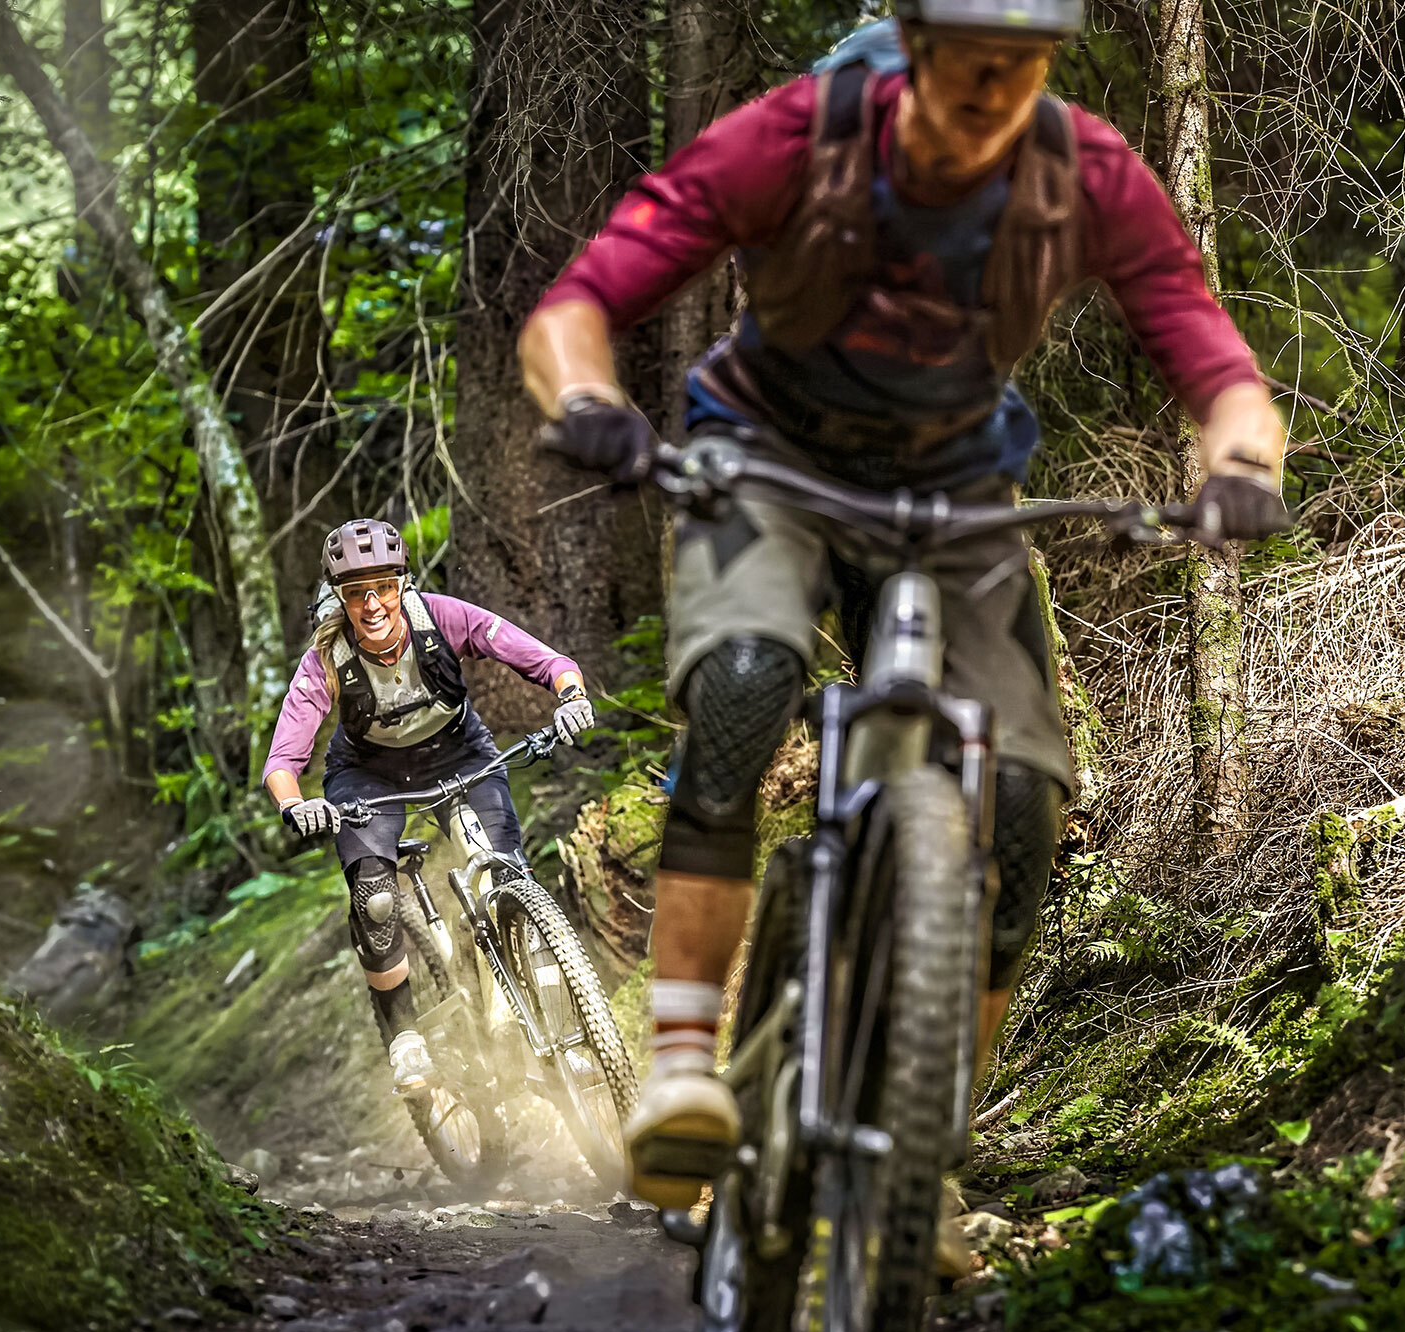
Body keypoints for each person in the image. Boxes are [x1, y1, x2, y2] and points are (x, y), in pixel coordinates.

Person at [521, 0, 1291, 1214]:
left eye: (1019, 66)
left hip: (956, 490)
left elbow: (1214, 362)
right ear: (915, 51)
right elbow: (577, 307)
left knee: (1021, 804)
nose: (990, 90)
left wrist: (1238, 466)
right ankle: (679, 1068)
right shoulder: (794, 137)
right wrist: (586, 403)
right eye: (967, 62)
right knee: (741, 687)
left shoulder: (1086, 173)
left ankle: (921, 1161)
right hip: (765, 461)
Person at [261, 519, 596, 1096]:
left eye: (383, 588)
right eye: (356, 593)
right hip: (368, 773)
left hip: (459, 753)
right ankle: (406, 1040)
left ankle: (569, 1038)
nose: (372, 605)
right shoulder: (326, 659)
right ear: (339, 598)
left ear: (402, 584)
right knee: (375, 898)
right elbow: (282, 760)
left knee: (508, 875)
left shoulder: (440, 617)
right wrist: (295, 804)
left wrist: (570, 696)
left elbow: (543, 659)